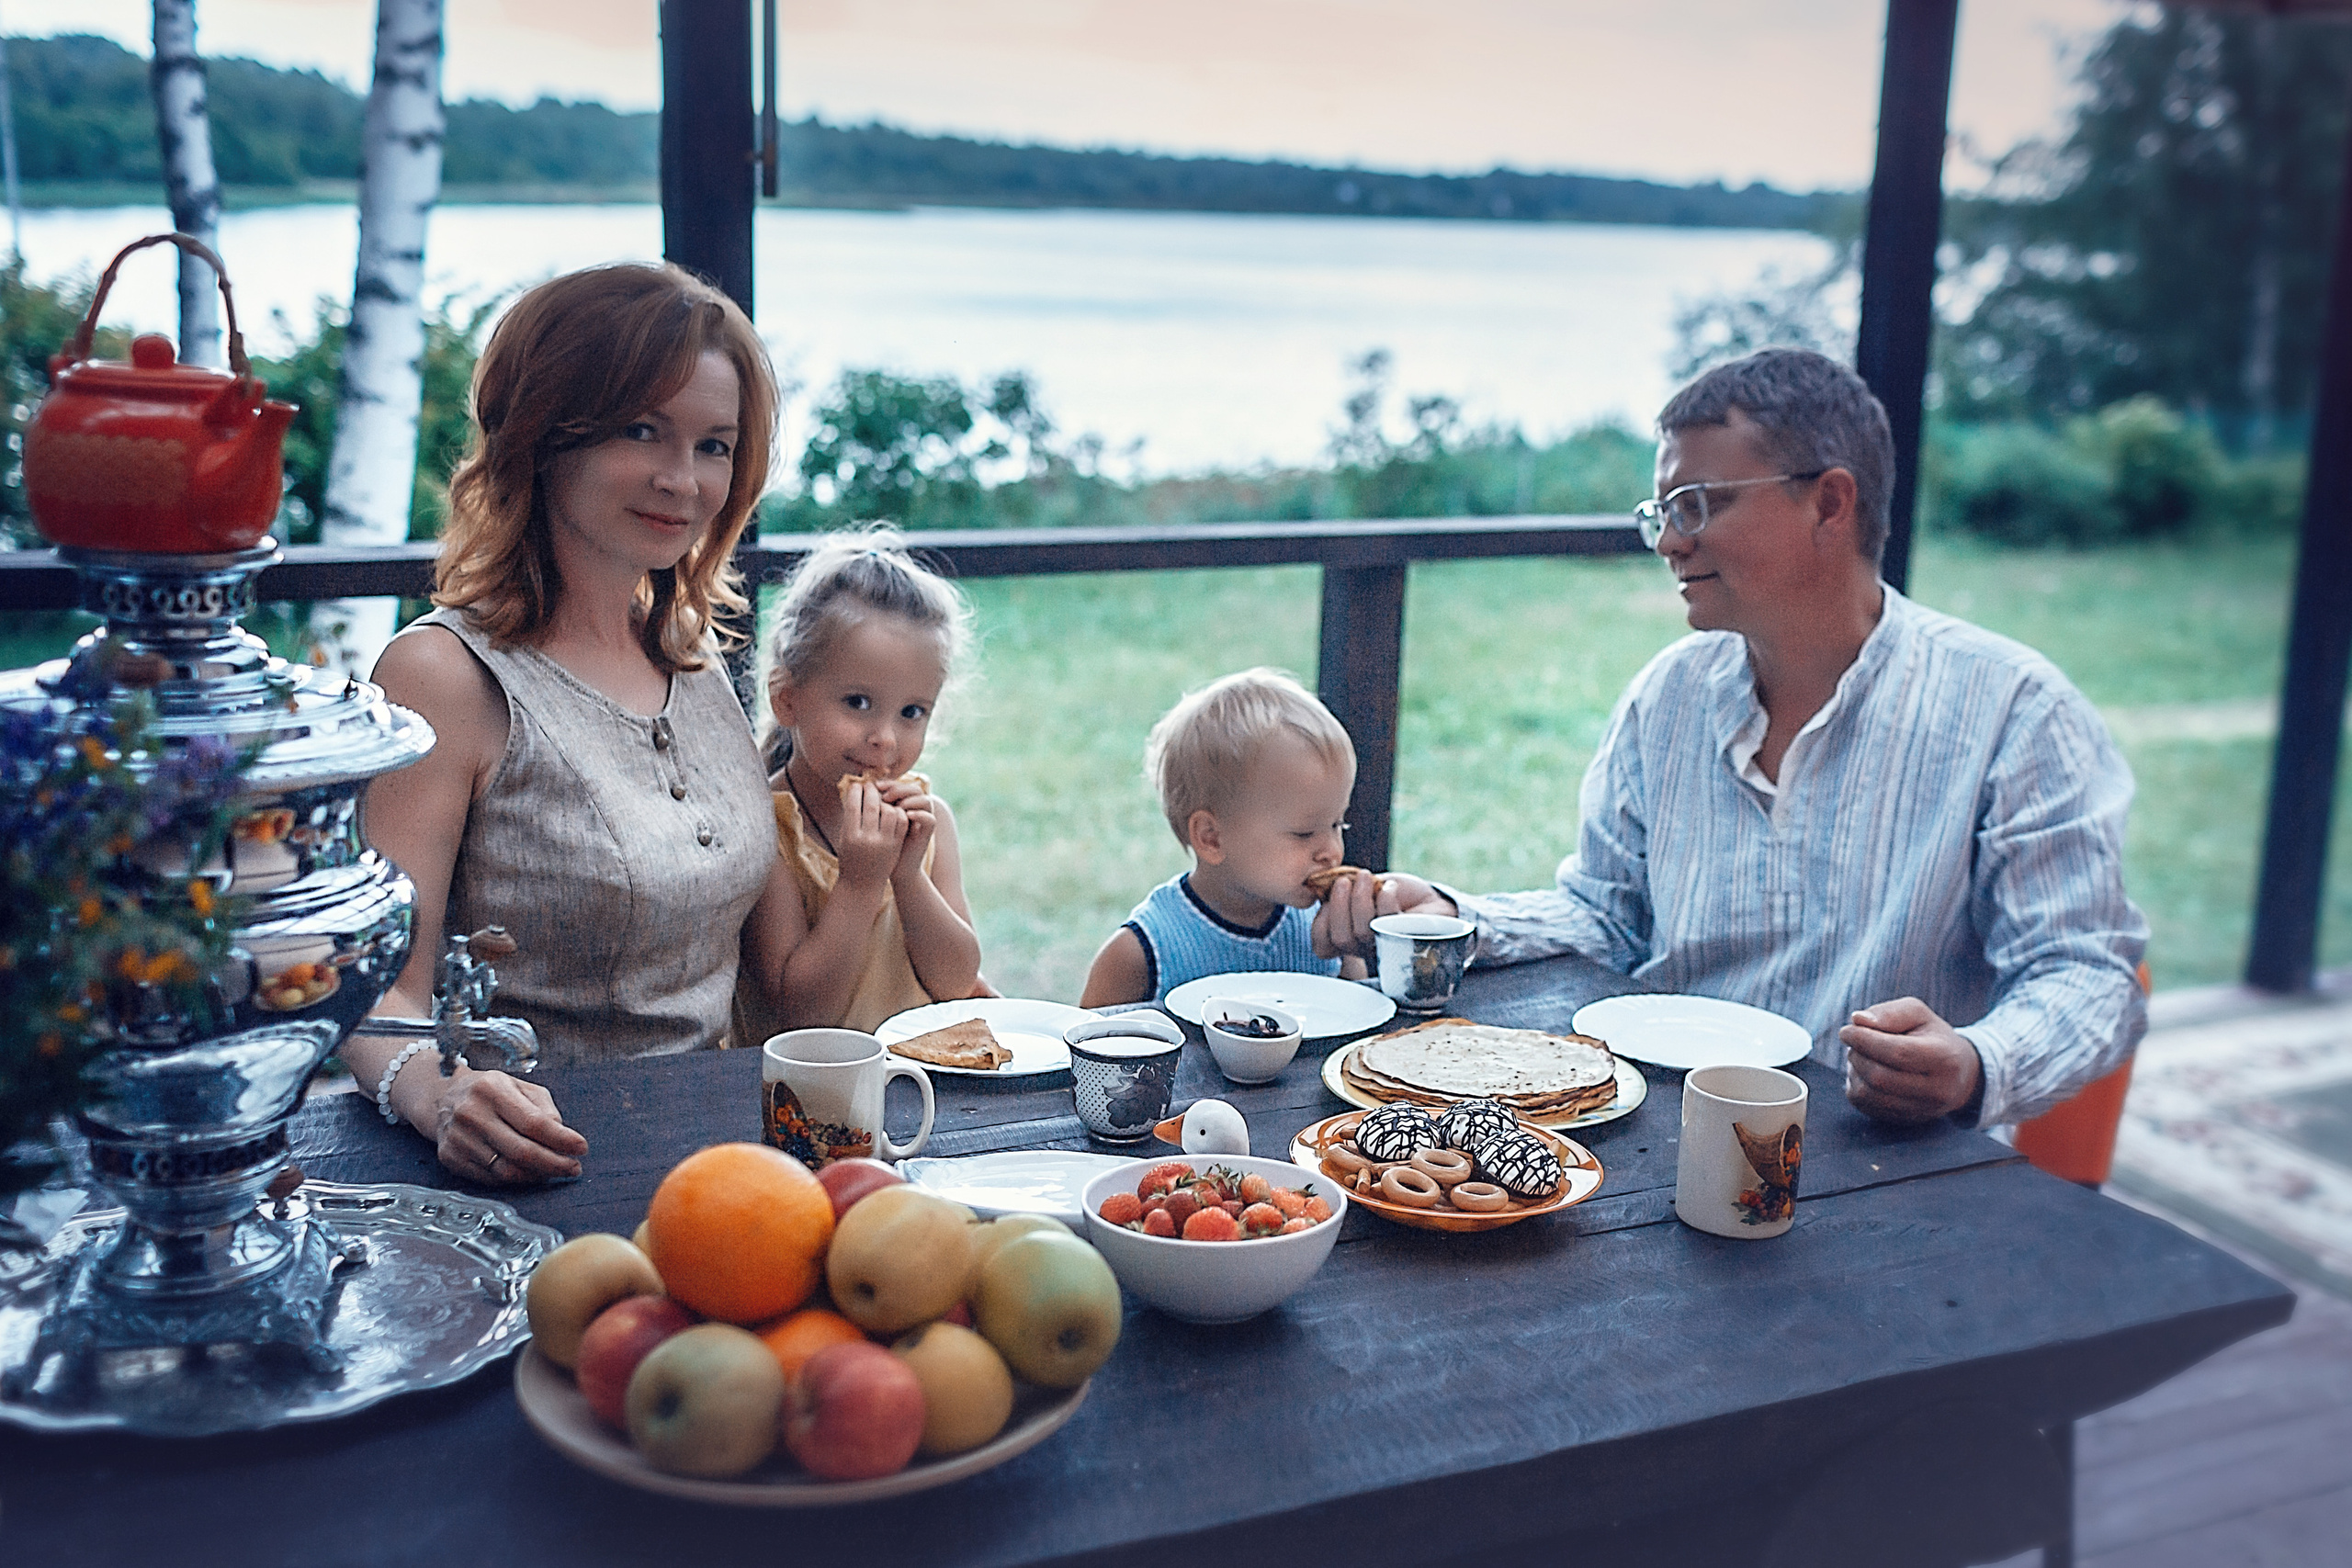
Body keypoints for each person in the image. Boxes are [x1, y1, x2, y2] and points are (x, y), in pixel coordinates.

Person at [1320, 348, 2147, 1128]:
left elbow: (2086, 974)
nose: (1670, 541)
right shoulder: (1668, 697)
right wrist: (1458, 919)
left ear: (1830, 501)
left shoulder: (2015, 710)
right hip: (1657, 1130)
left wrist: (1975, 1061)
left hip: (1887, 1162)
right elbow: (1611, 916)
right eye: (1662, 513)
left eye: (1697, 505)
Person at [353, 262, 786, 1184]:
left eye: (714, 445)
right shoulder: (444, 674)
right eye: (643, 431)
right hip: (529, 1171)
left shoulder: (695, 661)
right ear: (546, 433)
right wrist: (438, 1095)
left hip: (726, 1167)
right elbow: (374, 986)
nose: (684, 479)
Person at [734, 529, 984, 1037]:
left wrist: (908, 874)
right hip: (810, 1099)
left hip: (925, 1082)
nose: (885, 740)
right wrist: (861, 882)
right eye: (857, 703)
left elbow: (957, 982)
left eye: (912, 712)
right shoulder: (767, 830)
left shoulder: (928, 820)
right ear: (787, 698)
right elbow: (800, 1015)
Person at [1082, 668, 1369, 1008]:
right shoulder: (1145, 950)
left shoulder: (1324, 932)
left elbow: (1361, 1025)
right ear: (1212, 838)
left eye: (1338, 825)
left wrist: (1357, 948)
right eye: (1304, 833)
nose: (1331, 852)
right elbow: (1083, 1047)